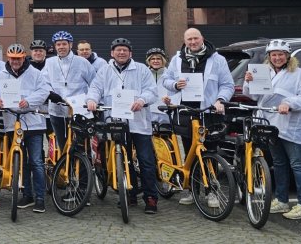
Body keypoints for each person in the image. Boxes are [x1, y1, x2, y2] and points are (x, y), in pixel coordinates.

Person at [243, 39, 301, 220]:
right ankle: (282, 200)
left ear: (287, 56)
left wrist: (289, 103)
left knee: (297, 165)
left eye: (281, 54)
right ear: (269, 56)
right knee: (279, 163)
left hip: (291, 126)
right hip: (271, 124)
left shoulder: (300, 74)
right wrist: (249, 82)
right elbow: (254, 96)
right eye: (274, 55)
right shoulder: (263, 72)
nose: (277, 58)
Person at [86, 38, 159, 214]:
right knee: (124, 160)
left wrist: (142, 100)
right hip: (116, 122)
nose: (121, 53)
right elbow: (95, 88)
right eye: (118, 50)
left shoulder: (141, 69)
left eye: (125, 50)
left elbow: (151, 91)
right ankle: (130, 194)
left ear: (130, 53)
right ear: (112, 53)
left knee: (146, 161)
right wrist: (91, 100)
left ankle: (150, 197)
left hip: (139, 122)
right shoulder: (104, 70)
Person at [161, 28, 233, 205]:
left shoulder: (217, 60)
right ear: (185, 41)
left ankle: (211, 192)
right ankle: (191, 190)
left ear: (202, 39)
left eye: (195, 38)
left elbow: (227, 85)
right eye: (189, 39)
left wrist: (220, 100)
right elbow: (165, 80)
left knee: (210, 152)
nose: (193, 42)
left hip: (209, 113)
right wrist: (175, 85)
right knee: (190, 152)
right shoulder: (177, 59)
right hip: (185, 113)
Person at [0, 43, 51, 213]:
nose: (15, 61)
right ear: (8, 58)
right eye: (12, 58)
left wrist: (29, 101)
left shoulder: (35, 73)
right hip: (12, 123)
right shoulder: (0, 76)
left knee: (36, 161)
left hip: (33, 123)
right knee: (21, 162)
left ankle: (40, 197)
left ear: (23, 57)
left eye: (18, 59)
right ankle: (27, 195)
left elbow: (44, 91)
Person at [43, 31, 95, 150]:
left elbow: (94, 83)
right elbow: (43, 82)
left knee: (82, 145)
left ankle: (82, 162)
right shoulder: (49, 62)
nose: (61, 47)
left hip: (79, 110)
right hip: (57, 109)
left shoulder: (82, 62)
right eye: (58, 44)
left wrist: (91, 99)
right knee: (62, 144)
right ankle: (65, 162)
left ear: (70, 45)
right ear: (55, 46)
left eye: (64, 44)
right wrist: (50, 93)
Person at [145, 48, 170, 126]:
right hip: (148, 111)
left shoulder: (170, 74)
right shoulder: (144, 74)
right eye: (153, 59)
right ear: (149, 61)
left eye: (158, 58)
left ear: (163, 60)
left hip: (165, 112)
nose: (155, 61)